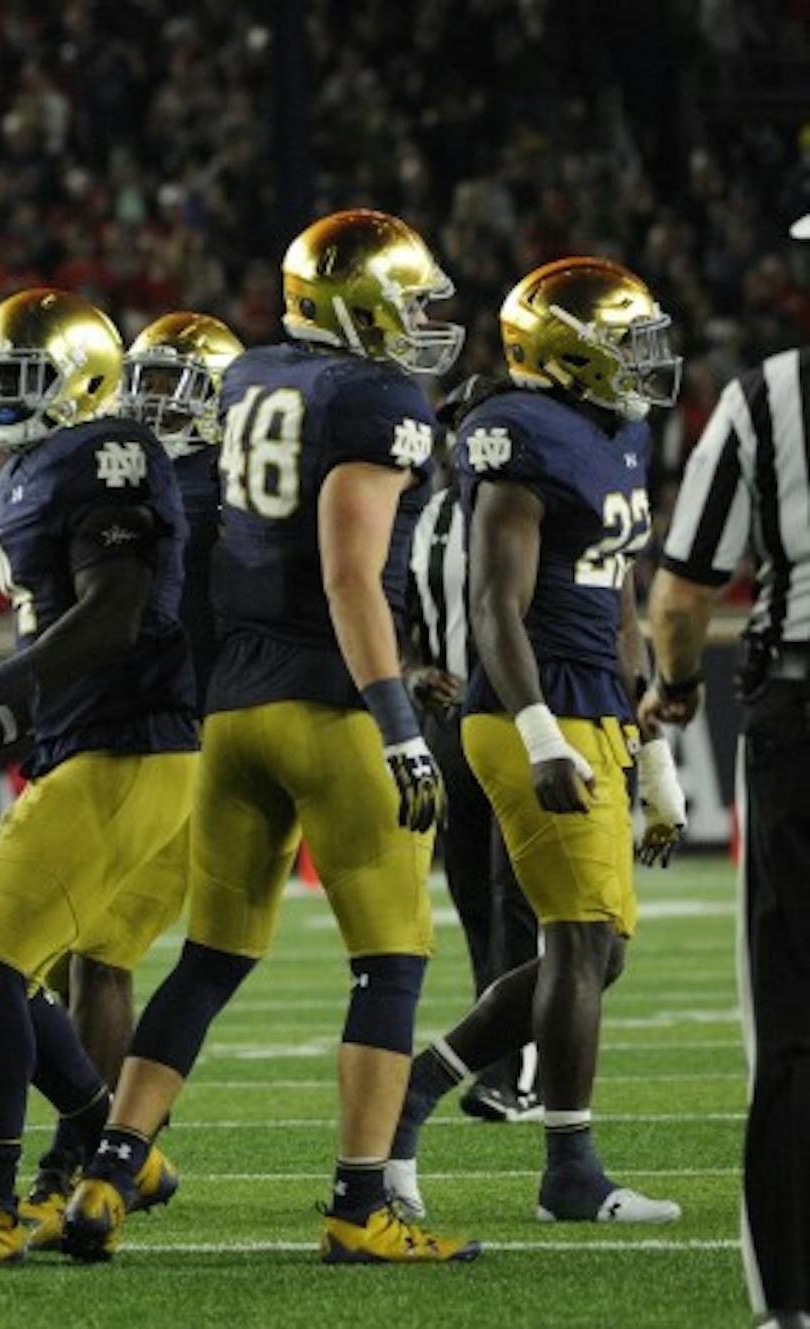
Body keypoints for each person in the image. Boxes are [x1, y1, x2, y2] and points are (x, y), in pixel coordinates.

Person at [61, 209, 474, 1265]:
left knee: (207, 959)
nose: (421, 318)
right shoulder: (378, 396)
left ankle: (106, 1174)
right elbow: (346, 573)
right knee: (388, 965)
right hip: (331, 709)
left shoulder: (244, 377)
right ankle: (357, 1202)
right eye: (403, 297)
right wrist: (396, 722)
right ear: (353, 304)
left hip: (234, 712)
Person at [0, 289, 198, 1266]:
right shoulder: (37, 465)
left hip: (132, 744)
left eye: (20, 381)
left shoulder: (106, 452)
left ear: (85, 380)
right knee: (13, 968)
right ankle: (117, 1146)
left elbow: (114, 614)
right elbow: (57, 637)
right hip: (89, 743)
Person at [386, 257, 685, 1225]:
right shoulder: (514, 432)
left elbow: (621, 593)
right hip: (530, 710)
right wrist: (538, 732)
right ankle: (568, 1169)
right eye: (623, 345)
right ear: (564, 354)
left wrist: (656, 753)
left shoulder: (618, 431)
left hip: (595, 706)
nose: (644, 363)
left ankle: (416, 1091)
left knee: (597, 955)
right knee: (576, 938)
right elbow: (490, 605)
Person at [21, 310, 244, 1248]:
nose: (152, 405)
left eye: (177, 388)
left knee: (92, 953)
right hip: (117, 738)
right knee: (57, 959)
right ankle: (117, 1143)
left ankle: (90, 1156)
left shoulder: (228, 493)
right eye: (143, 382)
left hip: (190, 746)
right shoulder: (127, 472)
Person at [647, 315, 810, 1325]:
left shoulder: (763, 396)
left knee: (792, 1030)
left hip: (799, 712)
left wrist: (674, 687)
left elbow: (677, 598)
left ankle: (788, 1308)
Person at [404, 448, 541, 1123]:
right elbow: (396, 613)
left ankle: (514, 1071)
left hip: (516, 719)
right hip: (448, 724)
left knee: (513, 895)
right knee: (471, 899)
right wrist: (412, 673)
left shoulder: (531, 505)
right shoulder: (426, 513)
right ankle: (496, 1051)